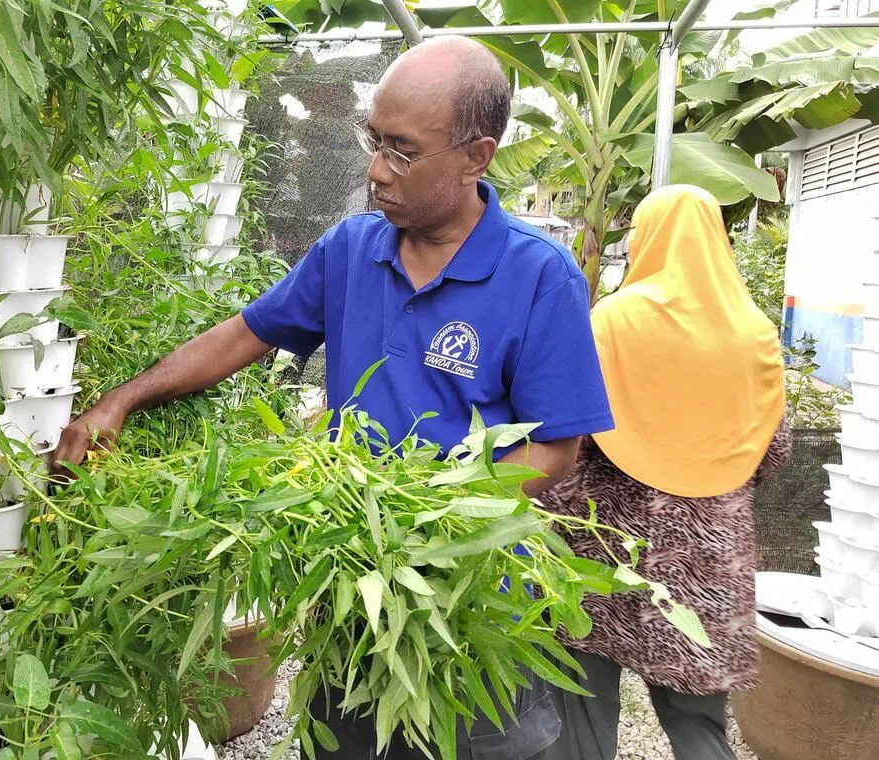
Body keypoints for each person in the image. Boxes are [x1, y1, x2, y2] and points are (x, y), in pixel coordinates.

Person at [54, 35, 615, 759]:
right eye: (373, 140)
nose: (376, 170)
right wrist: (121, 402)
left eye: (403, 151)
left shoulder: (540, 276)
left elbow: (555, 451)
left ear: (476, 155)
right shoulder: (353, 249)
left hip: (467, 612)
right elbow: (241, 335)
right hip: (352, 602)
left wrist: (419, 508)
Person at [537, 185, 793, 760]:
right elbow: (772, 450)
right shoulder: (752, 334)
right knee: (699, 725)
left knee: (580, 706)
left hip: (601, 546)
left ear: (651, 235)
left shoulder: (613, 321)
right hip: (707, 555)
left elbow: (571, 429)